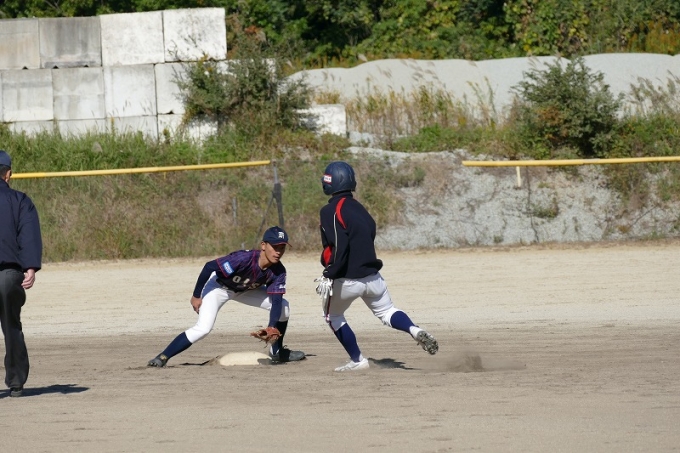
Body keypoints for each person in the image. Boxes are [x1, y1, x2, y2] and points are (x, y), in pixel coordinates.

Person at [316, 161, 438, 372]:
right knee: (388, 311)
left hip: (347, 279)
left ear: (329, 183)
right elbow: (370, 230)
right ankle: (413, 329)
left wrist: (330, 272)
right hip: (373, 278)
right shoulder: (359, 208)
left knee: (332, 316)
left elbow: (339, 244)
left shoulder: (330, 210)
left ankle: (357, 360)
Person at [147, 226, 305, 367]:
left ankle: (276, 352)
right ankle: (163, 357)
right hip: (219, 288)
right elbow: (209, 267)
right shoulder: (243, 259)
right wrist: (196, 295)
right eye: (275, 247)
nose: (278, 252)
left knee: (284, 307)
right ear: (263, 245)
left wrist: (271, 327)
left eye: (282, 248)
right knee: (203, 328)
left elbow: (276, 301)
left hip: (245, 290)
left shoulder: (278, 271)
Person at [0, 150, 43, 397]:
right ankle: (16, 383)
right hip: (8, 275)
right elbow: (28, 236)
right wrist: (30, 267)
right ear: (8, 174)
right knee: (11, 327)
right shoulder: (20, 200)